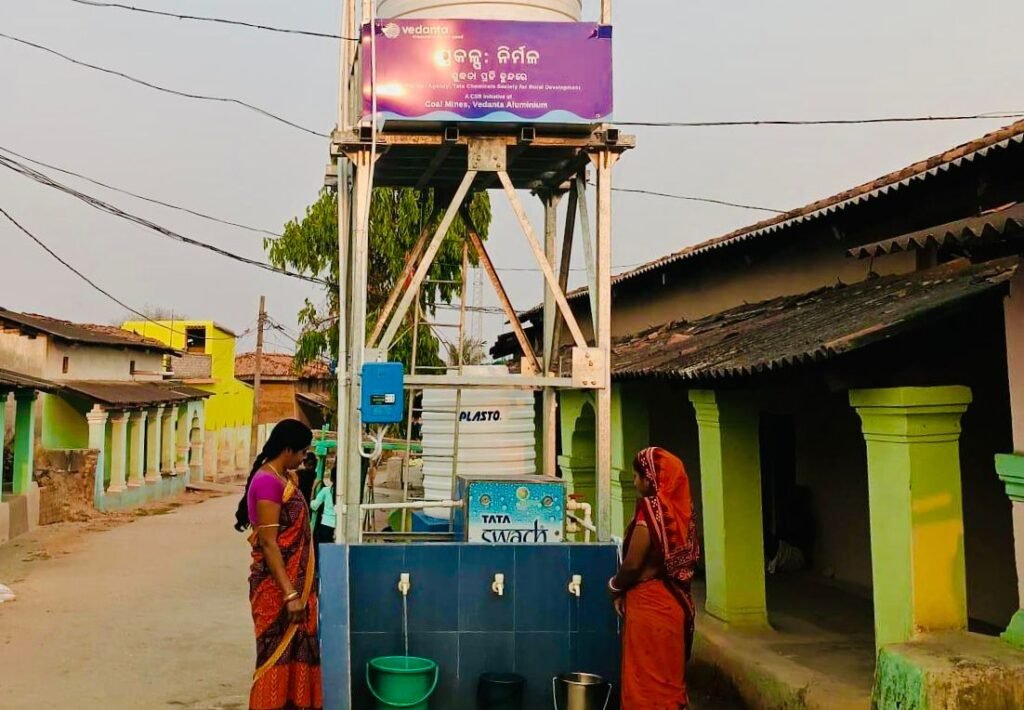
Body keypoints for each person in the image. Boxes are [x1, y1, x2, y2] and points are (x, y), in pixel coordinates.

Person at [234, 419, 322, 710]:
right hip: (277, 589)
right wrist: (290, 594)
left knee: (299, 655)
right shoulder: (268, 482)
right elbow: (270, 542)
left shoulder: (285, 478)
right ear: (287, 449)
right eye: (301, 452)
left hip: (298, 586)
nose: (302, 458)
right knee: (274, 657)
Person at [609, 447, 700, 710]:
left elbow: (634, 563)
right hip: (675, 608)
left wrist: (614, 586)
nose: (636, 482)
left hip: (649, 608)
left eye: (639, 476)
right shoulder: (683, 513)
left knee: (645, 687)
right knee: (668, 684)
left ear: (652, 479)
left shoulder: (650, 511)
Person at [310, 470, 336, 568]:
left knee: (322, 552)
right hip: (339, 525)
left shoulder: (326, 490)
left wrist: (312, 494)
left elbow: (314, 506)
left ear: (331, 478)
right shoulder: (345, 494)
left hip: (326, 525)